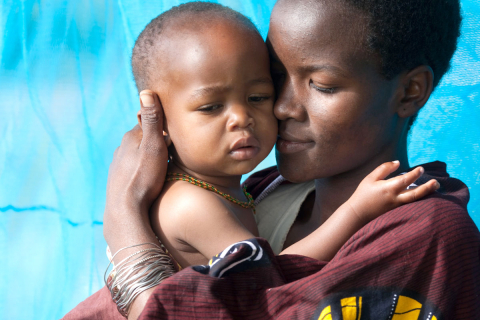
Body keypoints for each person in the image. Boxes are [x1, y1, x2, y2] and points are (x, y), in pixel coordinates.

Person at [64, 0, 480, 319]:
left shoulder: (427, 236)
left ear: (409, 92)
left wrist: (123, 219)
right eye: (276, 78)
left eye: (320, 85)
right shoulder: (263, 191)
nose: (280, 107)